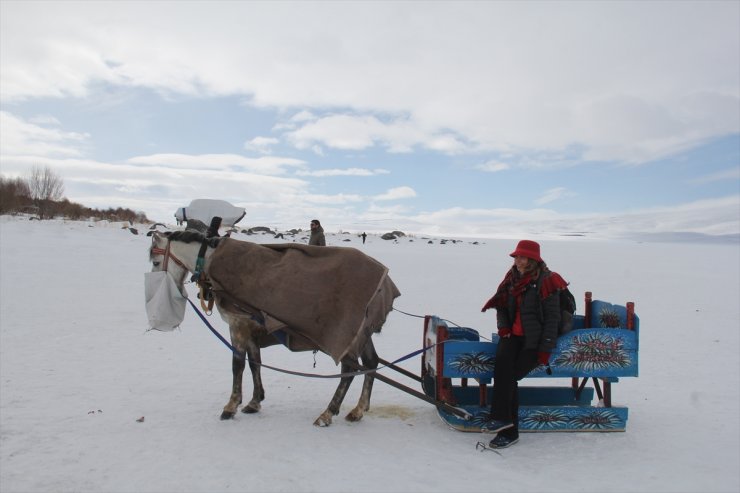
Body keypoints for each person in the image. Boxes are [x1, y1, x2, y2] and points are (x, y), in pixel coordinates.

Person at [480, 239, 568, 448]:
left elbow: (552, 319)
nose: (517, 260)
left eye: (522, 257)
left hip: (534, 340)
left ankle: (507, 429)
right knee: (502, 369)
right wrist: (504, 328)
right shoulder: (511, 278)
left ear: (533, 259)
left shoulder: (547, 281)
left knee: (509, 377)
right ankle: (503, 423)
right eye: (516, 256)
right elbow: (501, 305)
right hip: (513, 336)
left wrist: (545, 349)